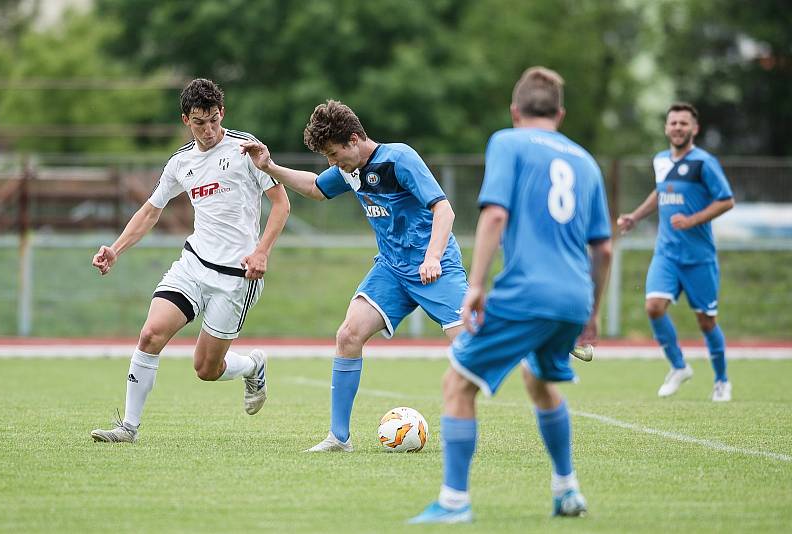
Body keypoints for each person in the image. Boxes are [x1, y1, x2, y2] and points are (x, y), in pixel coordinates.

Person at [409, 66, 612, 524]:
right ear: (560, 112)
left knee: (457, 384)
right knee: (539, 382)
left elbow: (495, 215)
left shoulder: (507, 141)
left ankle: (454, 502)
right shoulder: (585, 160)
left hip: (526, 294)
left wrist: (476, 284)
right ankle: (567, 490)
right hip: (574, 296)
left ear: (514, 110)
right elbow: (603, 248)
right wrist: (592, 314)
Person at [240, 100, 468, 452]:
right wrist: (270, 166)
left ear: (355, 138)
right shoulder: (349, 170)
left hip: (433, 267)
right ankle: (338, 438)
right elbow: (316, 188)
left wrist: (433, 256)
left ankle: (537, 334)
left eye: (334, 154)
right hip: (392, 269)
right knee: (348, 334)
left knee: (471, 345)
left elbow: (444, 208)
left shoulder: (399, 159)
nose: (333, 163)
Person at [90, 78, 290, 442]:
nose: (209, 129)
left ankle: (252, 365)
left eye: (214, 120)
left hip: (236, 277)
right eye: (200, 122)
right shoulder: (180, 162)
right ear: (186, 120)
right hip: (194, 265)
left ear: (222, 114)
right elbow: (151, 211)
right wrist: (115, 249)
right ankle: (128, 428)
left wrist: (262, 250)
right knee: (150, 334)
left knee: (205, 369)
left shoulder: (247, 150)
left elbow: (282, 204)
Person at [617, 102, 735, 402]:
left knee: (706, 321)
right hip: (666, 253)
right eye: (673, 123)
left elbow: (726, 201)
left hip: (699, 257)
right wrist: (634, 217)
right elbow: (660, 192)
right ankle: (679, 366)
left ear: (694, 129)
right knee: (654, 307)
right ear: (666, 127)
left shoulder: (704, 162)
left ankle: (722, 381)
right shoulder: (660, 160)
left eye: (684, 123)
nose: (678, 128)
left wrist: (692, 220)